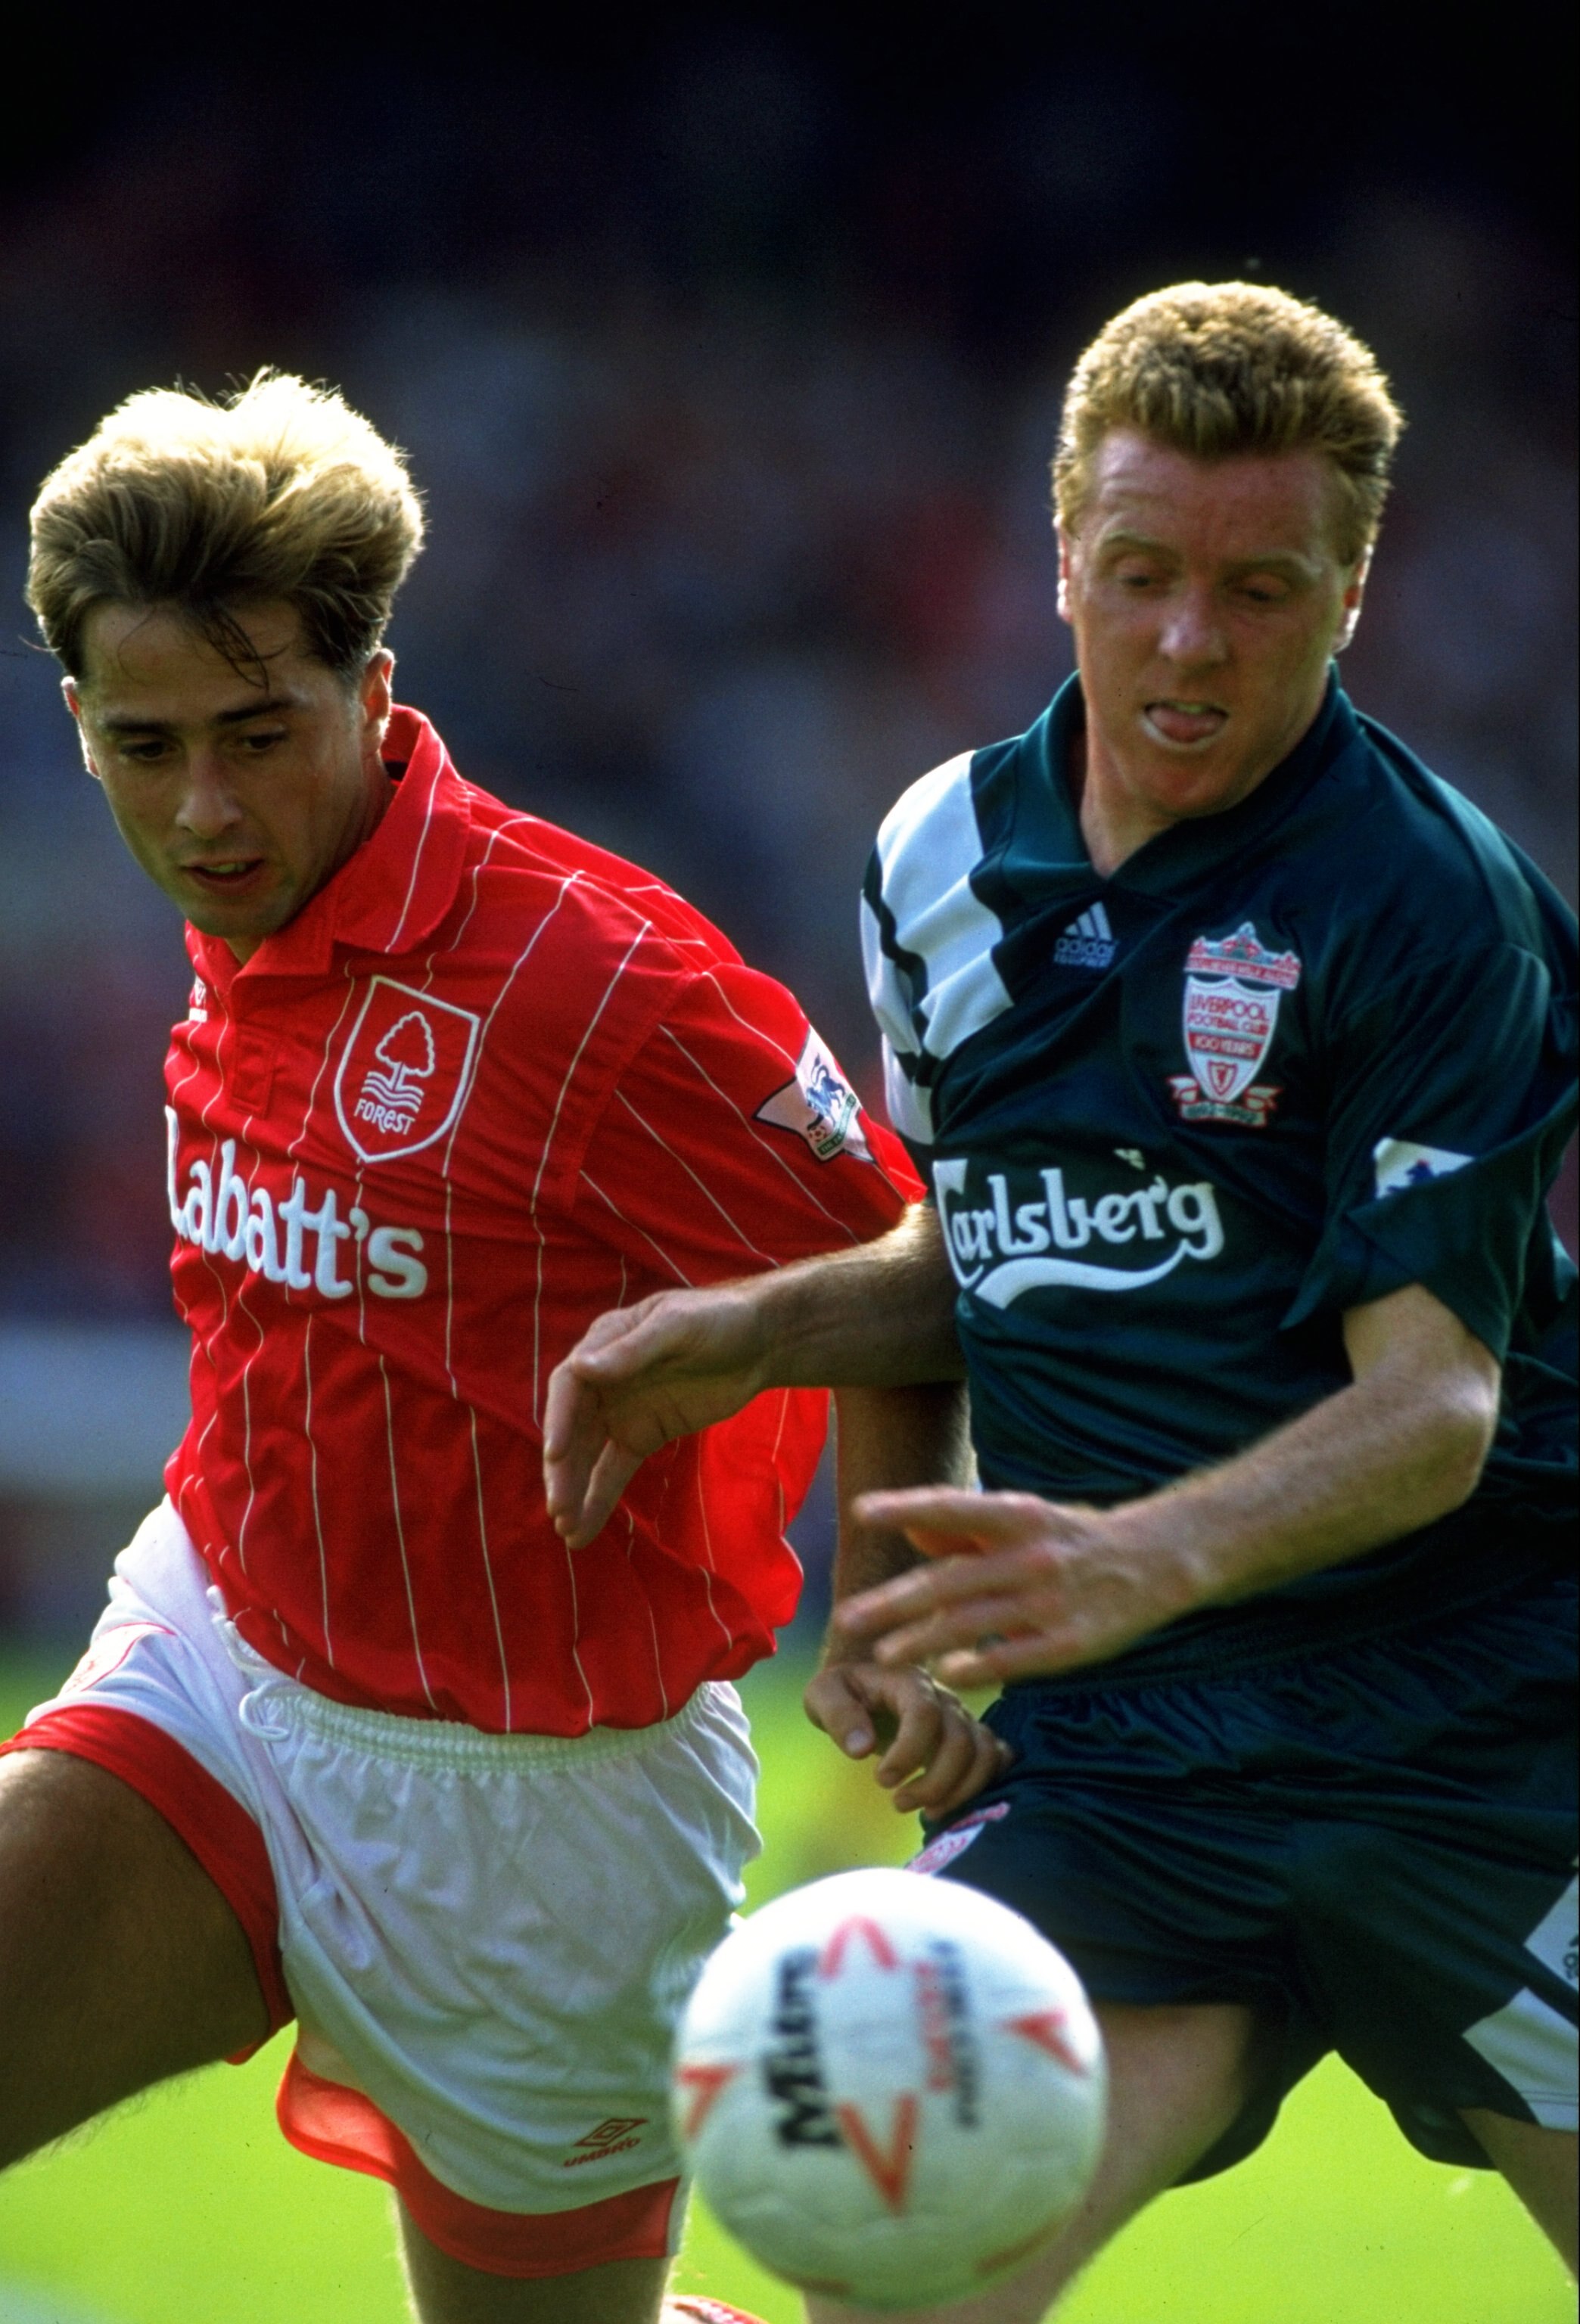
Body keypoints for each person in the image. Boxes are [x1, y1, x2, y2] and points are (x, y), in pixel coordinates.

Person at [544, 281, 1579, 2320]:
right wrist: (835, 1478)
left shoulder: (1432, 906)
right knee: (892, 2282)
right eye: (1144, 575)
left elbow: (1436, 1403)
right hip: (1132, 1776)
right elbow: (992, 1249)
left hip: (1479, 1733)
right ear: (1060, 560)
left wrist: (1130, 1559)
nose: (1191, 641)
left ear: (1356, 589)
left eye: (1262, 588)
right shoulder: (937, 858)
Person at [0, 373, 1004, 2324]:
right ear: (80, 733)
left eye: (261, 736)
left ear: (377, 691)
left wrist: (889, 1590)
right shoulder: (248, 901)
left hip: (552, 1828)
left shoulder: (593, 978)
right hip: (224, 1666)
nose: (206, 807)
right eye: (148, 749)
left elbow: (931, 1257)